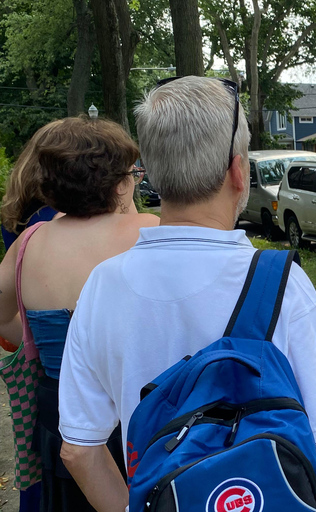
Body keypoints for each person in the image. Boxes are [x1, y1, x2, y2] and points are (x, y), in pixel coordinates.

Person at [57, 76, 316, 512]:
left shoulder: (102, 285)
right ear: (238, 172)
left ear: (152, 176)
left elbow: (79, 449)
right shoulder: (283, 284)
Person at [0, 116, 160, 512]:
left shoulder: (29, 242)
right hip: (143, 413)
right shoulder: (151, 230)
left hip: (61, 419)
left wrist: (47, 342)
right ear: (120, 182)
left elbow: (3, 319)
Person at [0, 120, 61, 512]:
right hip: (58, 367)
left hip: (31, 354)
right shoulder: (55, 221)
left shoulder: (17, 219)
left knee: (35, 463)